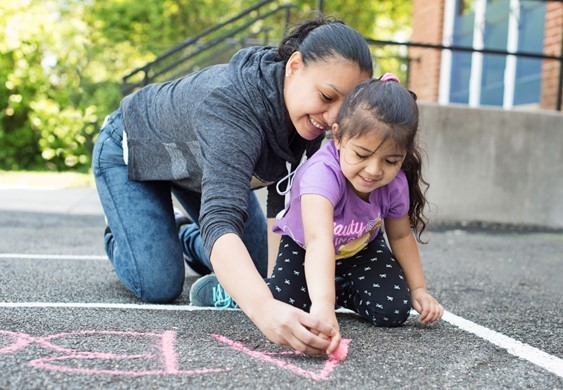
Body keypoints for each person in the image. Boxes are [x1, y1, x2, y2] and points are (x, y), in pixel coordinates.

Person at [92, 17, 373, 355]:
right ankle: (120, 229)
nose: (331, 118)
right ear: (295, 66)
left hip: (197, 168)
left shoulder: (311, 121)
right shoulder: (233, 107)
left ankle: (180, 233)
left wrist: (276, 291)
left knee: (253, 270)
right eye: (327, 96)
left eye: (344, 108)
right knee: (159, 283)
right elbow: (221, 219)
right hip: (129, 148)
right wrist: (266, 311)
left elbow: (282, 210)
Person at [190, 74, 444, 354]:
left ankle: (336, 288)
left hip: (359, 249)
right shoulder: (321, 177)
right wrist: (322, 307)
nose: (373, 170)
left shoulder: (394, 183)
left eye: (390, 160)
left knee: (393, 309)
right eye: (361, 155)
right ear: (338, 137)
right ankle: (243, 288)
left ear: (404, 155)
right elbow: (318, 241)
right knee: (286, 305)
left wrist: (418, 289)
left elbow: (400, 234)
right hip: (306, 246)